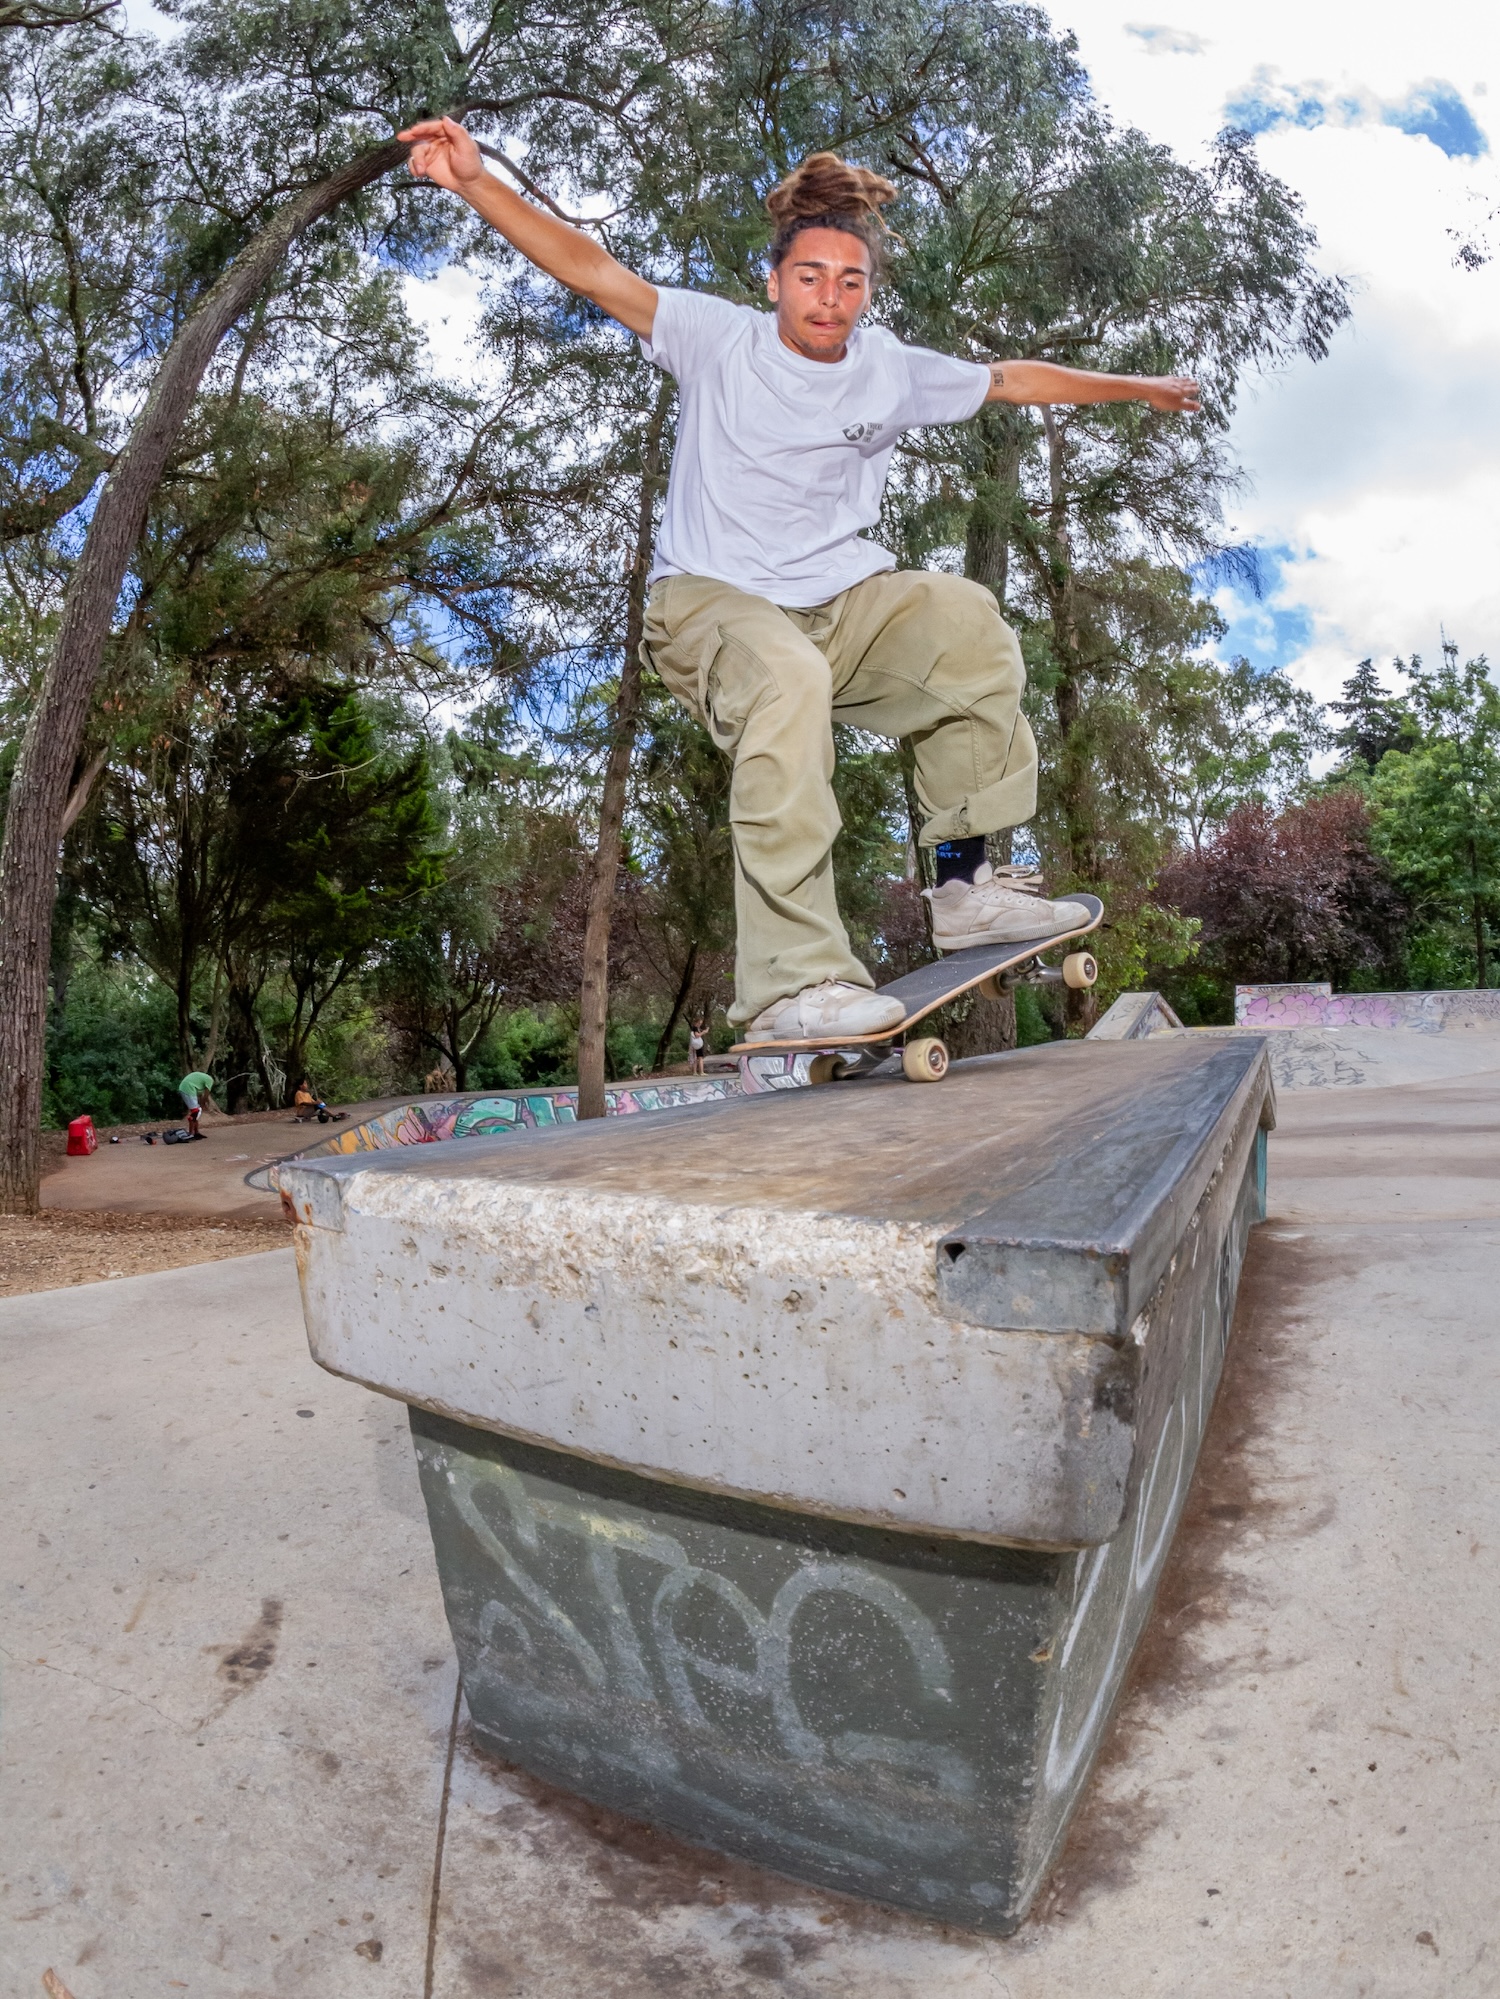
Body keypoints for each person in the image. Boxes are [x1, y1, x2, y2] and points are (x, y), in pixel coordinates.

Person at [400, 122, 1200, 1042]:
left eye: (849, 282)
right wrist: (475, 184)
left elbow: (1011, 379)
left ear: (868, 291)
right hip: (710, 604)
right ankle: (792, 982)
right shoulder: (714, 338)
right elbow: (590, 270)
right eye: (811, 277)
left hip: (840, 610)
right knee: (788, 681)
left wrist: (1136, 387)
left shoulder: (889, 370)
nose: (830, 300)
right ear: (774, 280)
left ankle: (965, 885)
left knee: (968, 623)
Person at [177, 1069, 216, 1138]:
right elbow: (206, 1096)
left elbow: (200, 1096)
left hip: (185, 1088)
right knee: (195, 1112)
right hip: (188, 1088)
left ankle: (196, 1133)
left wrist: (201, 1106)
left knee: (197, 1111)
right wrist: (203, 1105)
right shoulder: (210, 1080)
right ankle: (190, 1134)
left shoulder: (200, 1082)